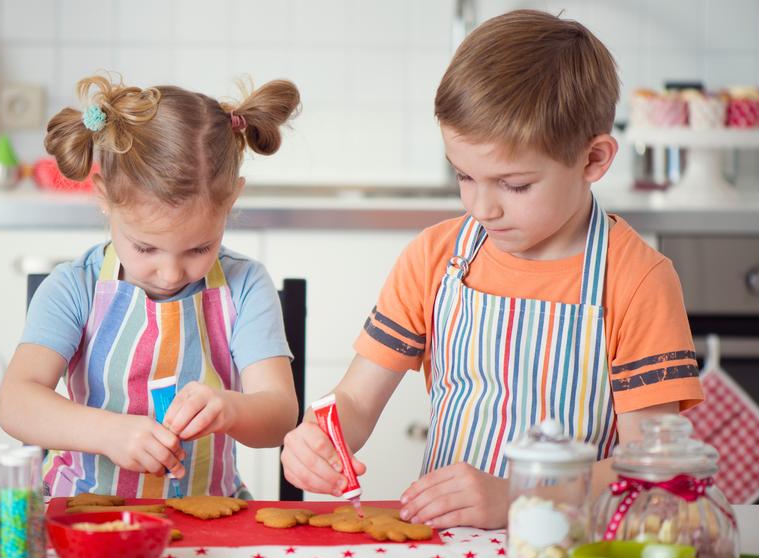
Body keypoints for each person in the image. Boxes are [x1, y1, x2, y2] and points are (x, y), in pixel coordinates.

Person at [281, 9, 703, 529]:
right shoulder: (436, 258)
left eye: (515, 185)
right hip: (442, 554)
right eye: (465, 176)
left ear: (593, 160)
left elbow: (648, 468)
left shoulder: (636, 280)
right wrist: (320, 434)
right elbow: (354, 401)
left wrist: (524, 496)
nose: (483, 208)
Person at [0, 74, 301, 498]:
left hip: (210, 515)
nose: (171, 273)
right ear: (103, 195)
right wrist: (106, 432)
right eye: (146, 248)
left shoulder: (244, 285)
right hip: (83, 510)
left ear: (232, 199)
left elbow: (280, 415)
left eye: (199, 248)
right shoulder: (75, 286)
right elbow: (16, 403)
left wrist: (231, 409)